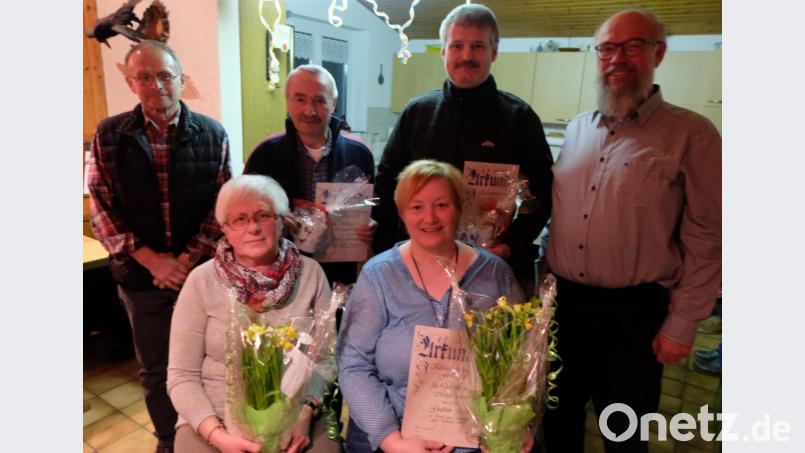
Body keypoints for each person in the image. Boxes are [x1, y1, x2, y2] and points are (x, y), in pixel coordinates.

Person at [543, 8, 722, 453]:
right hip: (566, 305)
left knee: (624, 430)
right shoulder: (579, 130)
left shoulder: (692, 134)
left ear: (658, 53)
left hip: (636, 313)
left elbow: (710, 234)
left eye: (632, 46)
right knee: (557, 419)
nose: (617, 58)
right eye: (607, 48)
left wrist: (683, 323)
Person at [87, 40, 231, 453]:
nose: (156, 85)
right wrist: (152, 261)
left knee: (205, 364)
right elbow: (101, 206)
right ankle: (169, 442)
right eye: (145, 77)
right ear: (131, 83)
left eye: (166, 75)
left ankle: (208, 435)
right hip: (140, 277)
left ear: (181, 80)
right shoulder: (108, 134)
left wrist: (185, 261)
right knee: (155, 369)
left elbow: (221, 205)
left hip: (200, 275)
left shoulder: (213, 133)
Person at [337, 160, 525, 453]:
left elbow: (519, 362)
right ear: (402, 214)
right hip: (396, 437)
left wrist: (508, 425)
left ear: (459, 208)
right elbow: (353, 363)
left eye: (441, 205)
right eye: (417, 207)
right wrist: (392, 440)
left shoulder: (495, 275)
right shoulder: (379, 275)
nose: (430, 218)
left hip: (476, 439)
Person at [373, 3, 554, 292]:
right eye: (457, 45)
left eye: (478, 46)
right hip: (416, 266)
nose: (466, 56)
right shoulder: (417, 113)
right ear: (443, 50)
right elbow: (386, 185)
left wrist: (510, 245)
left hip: (487, 267)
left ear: (494, 52)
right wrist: (383, 254)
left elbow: (542, 194)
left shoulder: (519, 118)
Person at [167, 174, 339, 453]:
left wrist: (306, 412)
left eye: (264, 215)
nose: (254, 228)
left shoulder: (311, 274)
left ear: (282, 220)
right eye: (240, 219)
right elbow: (181, 375)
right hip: (215, 414)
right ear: (224, 228)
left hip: (298, 409)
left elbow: (326, 358)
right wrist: (217, 435)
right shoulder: (201, 280)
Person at [244, 64, 376, 285]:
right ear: (287, 102)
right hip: (278, 274)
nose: (309, 111)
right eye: (300, 99)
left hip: (338, 276)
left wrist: (371, 225)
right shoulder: (265, 154)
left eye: (319, 100)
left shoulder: (359, 154)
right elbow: (246, 215)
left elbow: (374, 204)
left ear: (333, 103)